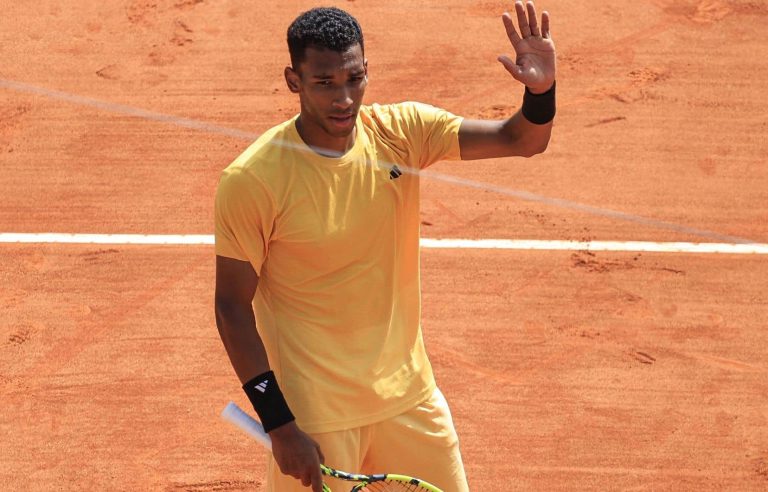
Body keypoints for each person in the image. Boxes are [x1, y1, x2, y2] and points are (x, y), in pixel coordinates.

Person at [214, 2, 555, 491]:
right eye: (324, 82)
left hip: (409, 399)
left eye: (354, 79)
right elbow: (230, 306)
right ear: (294, 81)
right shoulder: (253, 180)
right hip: (318, 414)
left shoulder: (402, 132)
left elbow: (520, 139)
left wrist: (540, 93)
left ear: (367, 71)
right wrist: (280, 424)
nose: (344, 98)